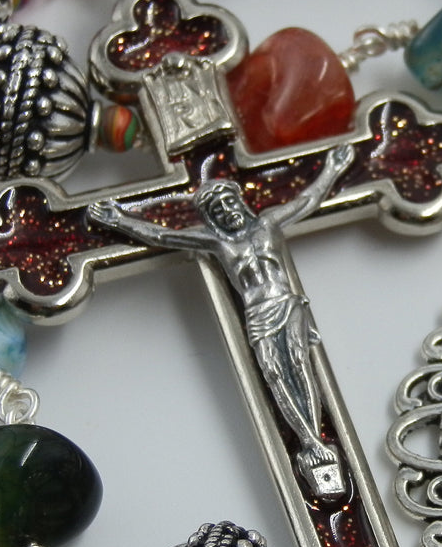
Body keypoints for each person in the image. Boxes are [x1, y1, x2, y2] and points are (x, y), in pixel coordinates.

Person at [88, 144, 355, 495]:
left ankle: (314, 442)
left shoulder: (267, 225)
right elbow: (163, 235)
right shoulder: (218, 244)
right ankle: (310, 442)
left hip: (286, 306)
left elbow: (307, 200)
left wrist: (333, 168)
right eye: (218, 210)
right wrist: (119, 219)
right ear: (212, 219)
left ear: (240, 202)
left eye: (229, 203)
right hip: (257, 315)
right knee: (275, 376)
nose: (227, 212)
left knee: (301, 367)